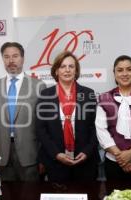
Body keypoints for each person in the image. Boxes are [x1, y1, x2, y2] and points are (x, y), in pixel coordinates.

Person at [0, 42, 46, 181]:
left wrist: (43, 157)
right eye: (6, 57)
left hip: (30, 155)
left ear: (22, 58)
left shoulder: (38, 86)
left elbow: (43, 125)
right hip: (2, 155)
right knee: (6, 195)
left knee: (30, 195)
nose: (11, 61)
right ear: (2, 60)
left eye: (15, 56)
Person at [36, 51, 99, 182]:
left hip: (84, 161)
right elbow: (41, 130)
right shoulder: (45, 95)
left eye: (71, 66)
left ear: (76, 71)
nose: (67, 70)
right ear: (56, 71)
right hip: (56, 161)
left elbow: (95, 127)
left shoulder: (88, 94)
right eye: (63, 66)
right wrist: (56, 154)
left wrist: (87, 151)